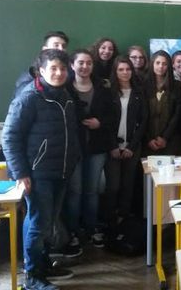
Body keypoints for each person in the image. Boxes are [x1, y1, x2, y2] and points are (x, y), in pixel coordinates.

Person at [3, 49, 81, 289]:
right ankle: (33, 277)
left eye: (62, 69)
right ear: (41, 71)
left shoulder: (64, 95)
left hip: (61, 170)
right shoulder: (28, 98)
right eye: (53, 69)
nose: (59, 73)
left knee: (48, 222)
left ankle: (43, 264)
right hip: (37, 175)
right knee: (38, 223)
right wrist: (21, 174)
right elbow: (10, 137)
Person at [65, 49, 114, 253]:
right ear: (72, 65)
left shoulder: (102, 88)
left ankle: (92, 227)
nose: (85, 67)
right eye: (81, 63)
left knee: (92, 191)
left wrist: (99, 122)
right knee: (75, 192)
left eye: (88, 63)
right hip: (74, 148)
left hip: (97, 147)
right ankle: (74, 231)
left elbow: (112, 116)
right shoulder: (65, 89)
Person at [103, 57, 147, 236]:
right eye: (121, 69)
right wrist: (113, 146)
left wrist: (131, 146)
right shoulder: (108, 92)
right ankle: (109, 220)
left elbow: (143, 121)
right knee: (113, 186)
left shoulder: (138, 92)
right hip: (112, 146)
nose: (125, 73)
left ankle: (124, 219)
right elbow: (105, 122)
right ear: (115, 71)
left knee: (128, 185)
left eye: (128, 69)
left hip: (132, 146)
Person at [143, 50, 181, 156]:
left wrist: (165, 137)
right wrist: (149, 138)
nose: (160, 66)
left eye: (164, 64)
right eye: (157, 63)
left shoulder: (176, 86)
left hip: (170, 140)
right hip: (148, 141)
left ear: (169, 66)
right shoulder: (143, 86)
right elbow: (141, 115)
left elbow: (177, 114)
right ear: (152, 64)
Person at [15, 30, 70, 96]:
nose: (61, 49)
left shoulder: (67, 73)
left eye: (63, 46)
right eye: (56, 45)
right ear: (45, 49)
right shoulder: (28, 79)